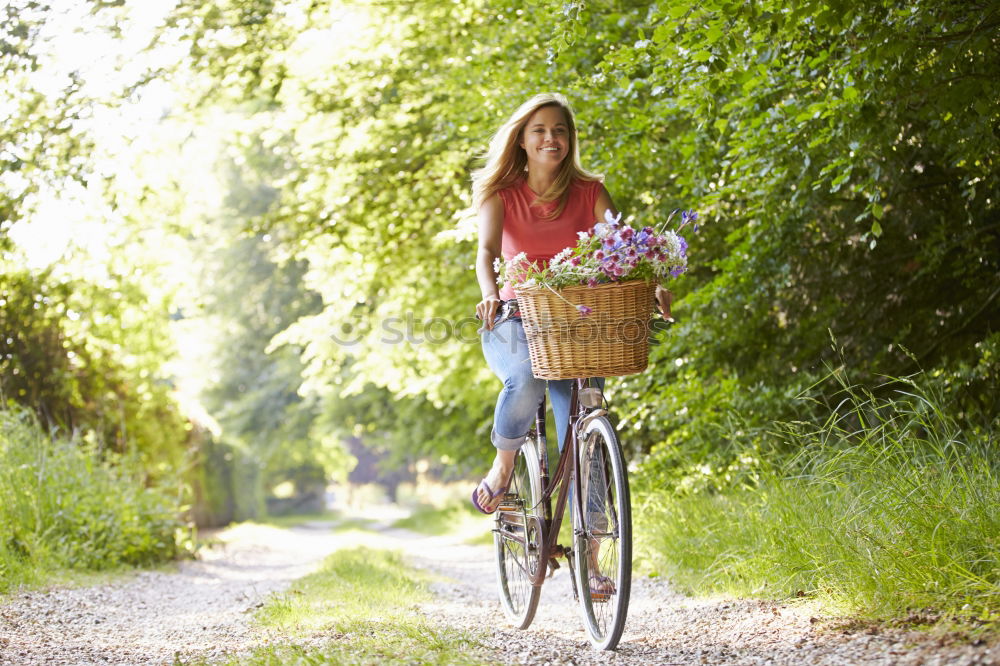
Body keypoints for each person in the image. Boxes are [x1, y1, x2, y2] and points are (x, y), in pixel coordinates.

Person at [470, 92, 615, 516]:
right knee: (525, 378)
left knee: (584, 429)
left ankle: (593, 552)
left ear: (570, 139)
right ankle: (503, 464)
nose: (551, 138)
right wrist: (490, 292)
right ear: (522, 140)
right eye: (539, 130)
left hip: (576, 320)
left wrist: (653, 281)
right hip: (514, 315)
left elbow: (623, 249)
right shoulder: (501, 195)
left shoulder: (591, 193)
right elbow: (485, 251)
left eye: (560, 130)